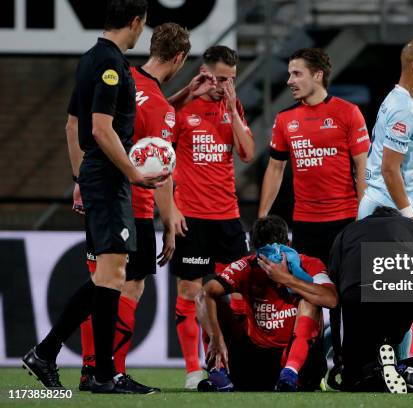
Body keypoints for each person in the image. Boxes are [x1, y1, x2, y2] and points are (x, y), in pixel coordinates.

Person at [21, 0, 167, 394]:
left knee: (110, 275)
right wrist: (132, 173)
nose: (143, 33)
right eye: (143, 26)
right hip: (109, 177)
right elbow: (102, 130)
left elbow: (73, 125)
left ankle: (69, 360)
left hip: (97, 176)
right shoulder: (112, 64)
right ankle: (97, 371)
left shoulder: (89, 58)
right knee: (113, 275)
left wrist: (78, 176)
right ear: (135, 22)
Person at [76, 22, 191, 393]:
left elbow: (99, 124)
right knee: (128, 287)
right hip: (134, 205)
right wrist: (170, 219)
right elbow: (159, 167)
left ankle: (91, 369)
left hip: (98, 193)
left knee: (100, 283)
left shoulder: (125, 78)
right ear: (179, 57)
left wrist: (79, 179)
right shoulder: (161, 108)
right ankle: (114, 372)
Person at [167, 45, 255, 389]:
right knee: (189, 292)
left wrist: (232, 108)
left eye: (229, 79)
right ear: (202, 73)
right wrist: (171, 207)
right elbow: (164, 159)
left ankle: (226, 363)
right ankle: (193, 371)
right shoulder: (183, 108)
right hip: (191, 216)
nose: (222, 85)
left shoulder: (232, 107)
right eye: (217, 78)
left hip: (228, 217)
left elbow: (247, 154)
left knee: (233, 295)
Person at [357, 39, 413, 361]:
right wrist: (409, 219)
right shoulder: (404, 109)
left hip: (384, 208)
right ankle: (398, 368)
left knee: (388, 301)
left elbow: (404, 168)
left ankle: (393, 367)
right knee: (399, 300)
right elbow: (389, 168)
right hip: (385, 213)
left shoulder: (399, 101)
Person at [327, 206, 413, 393]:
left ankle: (371, 369)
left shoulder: (347, 231)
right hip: (401, 297)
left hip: (357, 301)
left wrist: (340, 357)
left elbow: (334, 294)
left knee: (353, 380)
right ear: (397, 217)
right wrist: (396, 331)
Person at [197, 215, 338, 391]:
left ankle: (290, 373)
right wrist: (216, 337)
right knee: (212, 303)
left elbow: (331, 299)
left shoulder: (309, 264)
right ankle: (219, 374)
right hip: (259, 359)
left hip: (301, 363)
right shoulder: (246, 266)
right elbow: (203, 295)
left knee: (310, 301)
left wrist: (286, 279)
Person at [258, 48, 370, 266]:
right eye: (290, 74)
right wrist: (262, 216)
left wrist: (363, 218)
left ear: (318, 75)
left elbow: (362, 166)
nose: (290, 80)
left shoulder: (348, 112)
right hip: (304, 223)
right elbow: (275, 169)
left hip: (345, 221)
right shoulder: (284, 119)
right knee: (306, 292)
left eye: (297, 74)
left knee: (345, 293)